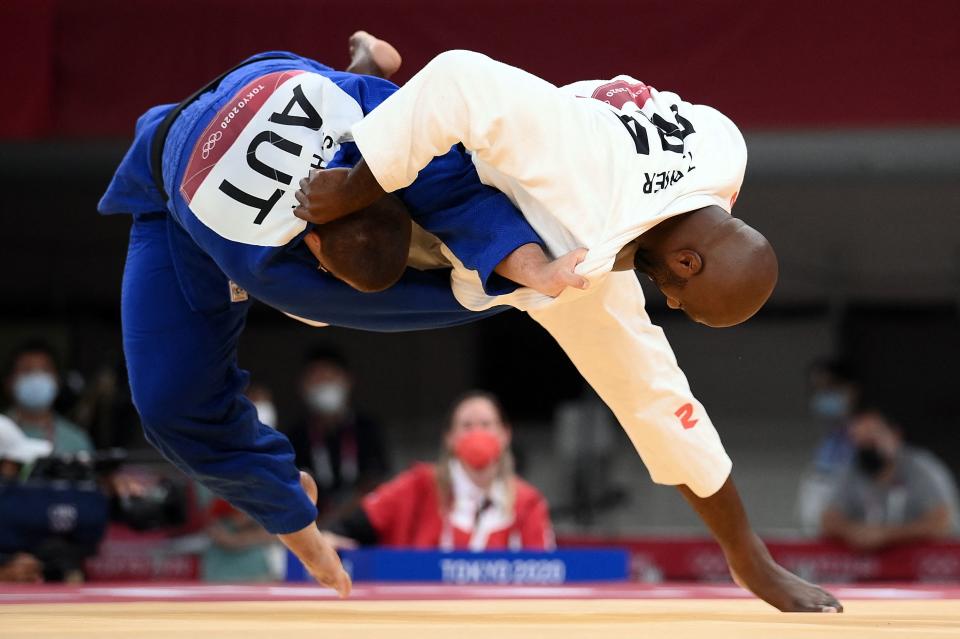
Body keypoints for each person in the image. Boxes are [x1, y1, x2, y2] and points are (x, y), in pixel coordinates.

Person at [98, 32, 839, 611]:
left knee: (606, 352)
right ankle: (371, 134)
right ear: (689, 265)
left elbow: (658, 398)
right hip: (491, 179)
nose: (667, 307)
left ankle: (369, 82)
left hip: (432, 141)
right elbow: (456, 75)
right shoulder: (585, 199)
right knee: (382, 286)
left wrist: (748, 553)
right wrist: (358, 179)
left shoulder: (722, 148)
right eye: (680, 299)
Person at [325, 391, 553, 550]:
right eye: (466, 426)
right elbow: (349, 528)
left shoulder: (529, 503)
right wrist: (327, 542)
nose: (476, 433)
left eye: (486, 425)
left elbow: (547, 576)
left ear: (505, 434)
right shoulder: (418, 485)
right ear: (449, 438)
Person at [821, 409, 959, 551]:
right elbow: (828, 519)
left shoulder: (922, 469)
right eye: (859, 441)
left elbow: (942, 522)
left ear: (894, 435)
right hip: (869, 565)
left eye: (872, 440)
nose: (866, 448)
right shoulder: (851, 470)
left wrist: (886, 535)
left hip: (929, 563)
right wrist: (853, 531)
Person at [286, 347, 389, 521]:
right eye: (317, 380)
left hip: (362, 525)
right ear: (303, 385)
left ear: (347, 380)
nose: (324, 385)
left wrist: (336, 518)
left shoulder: (367, 429)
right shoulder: (296, 436)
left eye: (329, 378)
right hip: (311, 525)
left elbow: (376, 484)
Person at [795, 360, 860, 533]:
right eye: (818, 390)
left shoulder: (867, 421)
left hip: (854, 485)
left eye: (829, 388)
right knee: (815, 534)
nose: (823, 396)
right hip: (822, 479)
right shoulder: (830, 423)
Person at [4, 340, 94, 455]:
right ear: (9, 382)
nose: (36, 378)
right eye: (26, 370)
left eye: (45, 370)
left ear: (57, 381)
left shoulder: (76, 441)